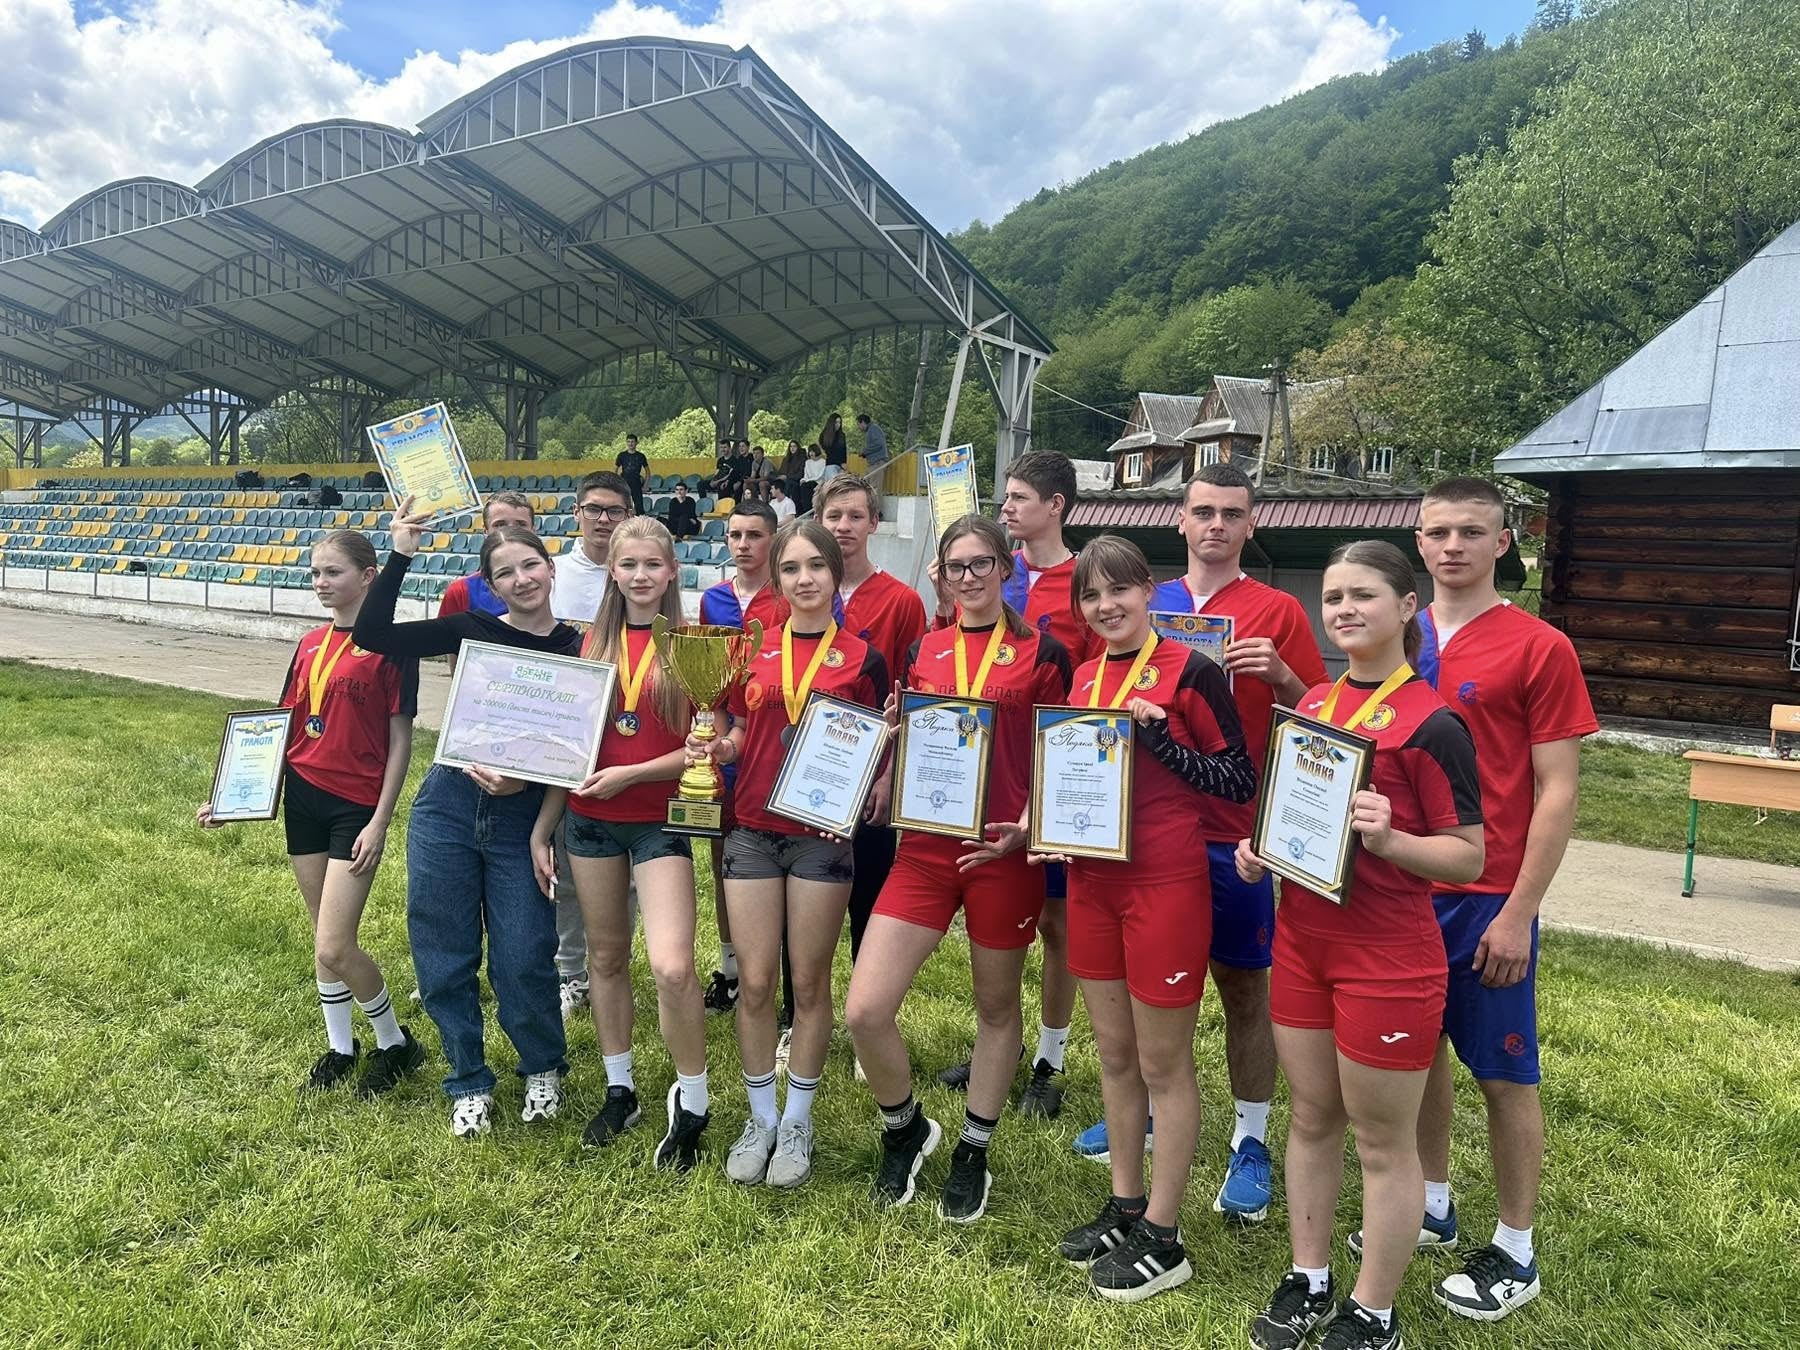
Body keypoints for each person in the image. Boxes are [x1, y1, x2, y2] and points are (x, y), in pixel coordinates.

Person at [1241, 539, 1484, 1350]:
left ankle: (1374, 1311)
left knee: (1382, 1142)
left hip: (1387, 958)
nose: (1344, 609)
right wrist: (1261, 849)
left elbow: (1469, 856)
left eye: (1363, 595)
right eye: (1334, 597)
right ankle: (1309, 1276)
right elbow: (1292, 819)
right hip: (1302, 944)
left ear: (1407, 606)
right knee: (1312, 1117)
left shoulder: (1434, 723)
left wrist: (1392, 840)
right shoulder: (1312, 704)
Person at [1081, 462, 1328, 1219]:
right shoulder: (1138, 604)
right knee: (1142, 1008)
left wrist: (1282, 675)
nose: (1216, 524)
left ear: (1252, 524)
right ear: (1180, 520)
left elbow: (1322, 719)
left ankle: (1250, 1136)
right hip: (1136, 840)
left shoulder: (1279, 609)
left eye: (1231, 513)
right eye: (1203, 511)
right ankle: (1146, 1118)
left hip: (1236, 834)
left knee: (1245, 987)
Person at [1393, 477, 1596, 1323]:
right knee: (1417, 1058)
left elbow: (1558, 790)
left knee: (1504, 1072)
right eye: (1438, 531)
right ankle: (1431, 1203)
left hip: (1487, 897)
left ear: (1503, 541)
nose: (1453, 546)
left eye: (1471, 532)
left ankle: (1516, 1248)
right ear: (1418, 540)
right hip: (1404, 887)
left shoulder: (1539, 646)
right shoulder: (1399, 635)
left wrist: (1518, 911)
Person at [847, 515, 1073, 1222]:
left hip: (1001, 853)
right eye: (955, 567)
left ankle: (974, 1148)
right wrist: (892, 747)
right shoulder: (925, 648)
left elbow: (1063, 750)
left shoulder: (1044, 652)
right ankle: (905, 1128)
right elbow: (917, 736)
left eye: (981, 564)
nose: (968, 577)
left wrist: (1028, 825)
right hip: (925, 849)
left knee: (996, 1008)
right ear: (940, 576)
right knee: (865, 1010)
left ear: (1006, 567)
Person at [1052, 535, 1255, 1303]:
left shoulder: (1192, 670)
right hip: (1092, 882)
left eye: (1119, 590)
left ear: (1148, 591)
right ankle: (1127, 1205)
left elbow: (1238, 779)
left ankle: (1165, 1237)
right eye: (1091, 595)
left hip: (1164, 883)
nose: (1107, 606)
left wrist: (1164, 741)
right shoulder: (1082, 676)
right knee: (1114, 1055)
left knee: (1164, 1063)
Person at [353, 502, 582, 1137]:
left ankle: (542, 1066)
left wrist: (536, 811)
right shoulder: (472, 629)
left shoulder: (580, 648)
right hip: (449, 806)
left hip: (522, 819)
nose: (521, 579)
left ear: (550, 568)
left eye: (530, 565)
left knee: (524, 953)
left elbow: (575, 754)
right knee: (444, 950)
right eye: (505, 572)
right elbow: (372, 635)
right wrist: (400, 552)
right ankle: (468, 1077)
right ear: (490, 584)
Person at [693, 519, 888, 1188]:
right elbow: (742, 729)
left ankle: (798, 1122)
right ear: (776, 579)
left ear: (835, 574)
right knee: (754, 983)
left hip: (820, 838)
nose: (805, 579)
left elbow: (872, 741)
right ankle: (761, 1118)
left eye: (816, 566)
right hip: (750, 829)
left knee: (808, 983)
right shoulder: (752, 648)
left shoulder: (863, 658)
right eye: (792, 568)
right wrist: (721, 747)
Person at [197, 529, 424, 1097]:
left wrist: (380, 820)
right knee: (322, 929)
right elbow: (283, 727)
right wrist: (236, 799)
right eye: (316, 573)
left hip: (356, 804)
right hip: (303, 797)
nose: (321, 583)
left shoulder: (392, 645)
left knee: (333, 945)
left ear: (368, 577)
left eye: (333, 572)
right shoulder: (308, 644)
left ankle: (396, 1043)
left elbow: (401, 741)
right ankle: (340, 1047)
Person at [530, 518, 711, 1169]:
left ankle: (694, 1100)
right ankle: (620, 1089)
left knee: (672, 966)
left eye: (652, 564)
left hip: (658, 820)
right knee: (605, 958)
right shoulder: (586, 645)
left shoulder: (693, 646)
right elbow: (568, 749)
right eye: (628, 564)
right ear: (612, 570)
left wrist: (630, 775)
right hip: (588, 822)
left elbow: (700, 751)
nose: (639, 575)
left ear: (672, 571)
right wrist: (542, 827)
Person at [935, 449, 1103, 1117]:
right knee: (994, 928)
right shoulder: (991, 571)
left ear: (1055, 505)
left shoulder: (1085, 580)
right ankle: (995, 1043)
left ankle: (1049, 1059)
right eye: (1003, 497)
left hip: (1056, 781)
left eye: (1018, 497)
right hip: (988, 787)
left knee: (1058, 925)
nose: (1006, 507)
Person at [818, 473, 928, 964]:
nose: (843, 525)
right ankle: (799, 1004)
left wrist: (889, 776)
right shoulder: (798, 592)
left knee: (869, 904)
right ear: (818, 521)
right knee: (803, 911)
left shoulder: (902, 601)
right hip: (812, 771)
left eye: (855, 516)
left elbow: (911, 697)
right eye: (834, 515)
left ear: (874, 523)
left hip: (873, 774)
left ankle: (868, 1001)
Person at [697, 502, 790, 1016]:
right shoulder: (713, 600)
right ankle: (731, 970)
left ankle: (777, 978)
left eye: (754, 534)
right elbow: (706, 680)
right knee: (725, 864)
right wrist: (712, 743)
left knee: (780, 866)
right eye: (735, 535)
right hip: (726, 745)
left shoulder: (790, 595)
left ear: (773, 539)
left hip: (775, 749)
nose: (743, 544)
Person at [551, 470, 635, 1015]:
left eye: (615, 510)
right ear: (577, 513)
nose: (604, 519)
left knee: (624, 872)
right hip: (566, 735)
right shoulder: (554, 574)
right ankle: (570, 971)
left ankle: (614, 963)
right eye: (594, 509)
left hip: (628, 736)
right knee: (566, 861)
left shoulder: (641, 572)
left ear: (629, 516)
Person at [439, 491, 534, 619]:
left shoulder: (554, 585)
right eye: (500, 525)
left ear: (533, 530)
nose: (511, 531)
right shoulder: (460, 591)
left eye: (521, 524)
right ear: (486, 531)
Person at [615, 434, 648, 516]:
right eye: (628, 442)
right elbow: (615, 470)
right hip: (624, 483)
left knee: (639, 507)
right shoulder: (622, 455)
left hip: (636, 483)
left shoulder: (641, 456)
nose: (630, 444)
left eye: (632, 442)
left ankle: (639, 522)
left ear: (636, 443)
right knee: (624, 505)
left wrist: (645, 485)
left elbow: (648, 472)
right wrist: (616, 483)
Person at [800, 444, 827, 510]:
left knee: (810, 485)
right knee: (803, 485)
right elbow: (806, 474)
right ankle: (806, 509)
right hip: (809, 481)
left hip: (819, 482)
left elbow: (820, 475)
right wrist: (804, 480)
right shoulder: (807, 462)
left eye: (813, 451)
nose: (811, 453)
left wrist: (808, 480)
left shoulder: (823, 461)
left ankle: (812, 508)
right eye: (810, 451)